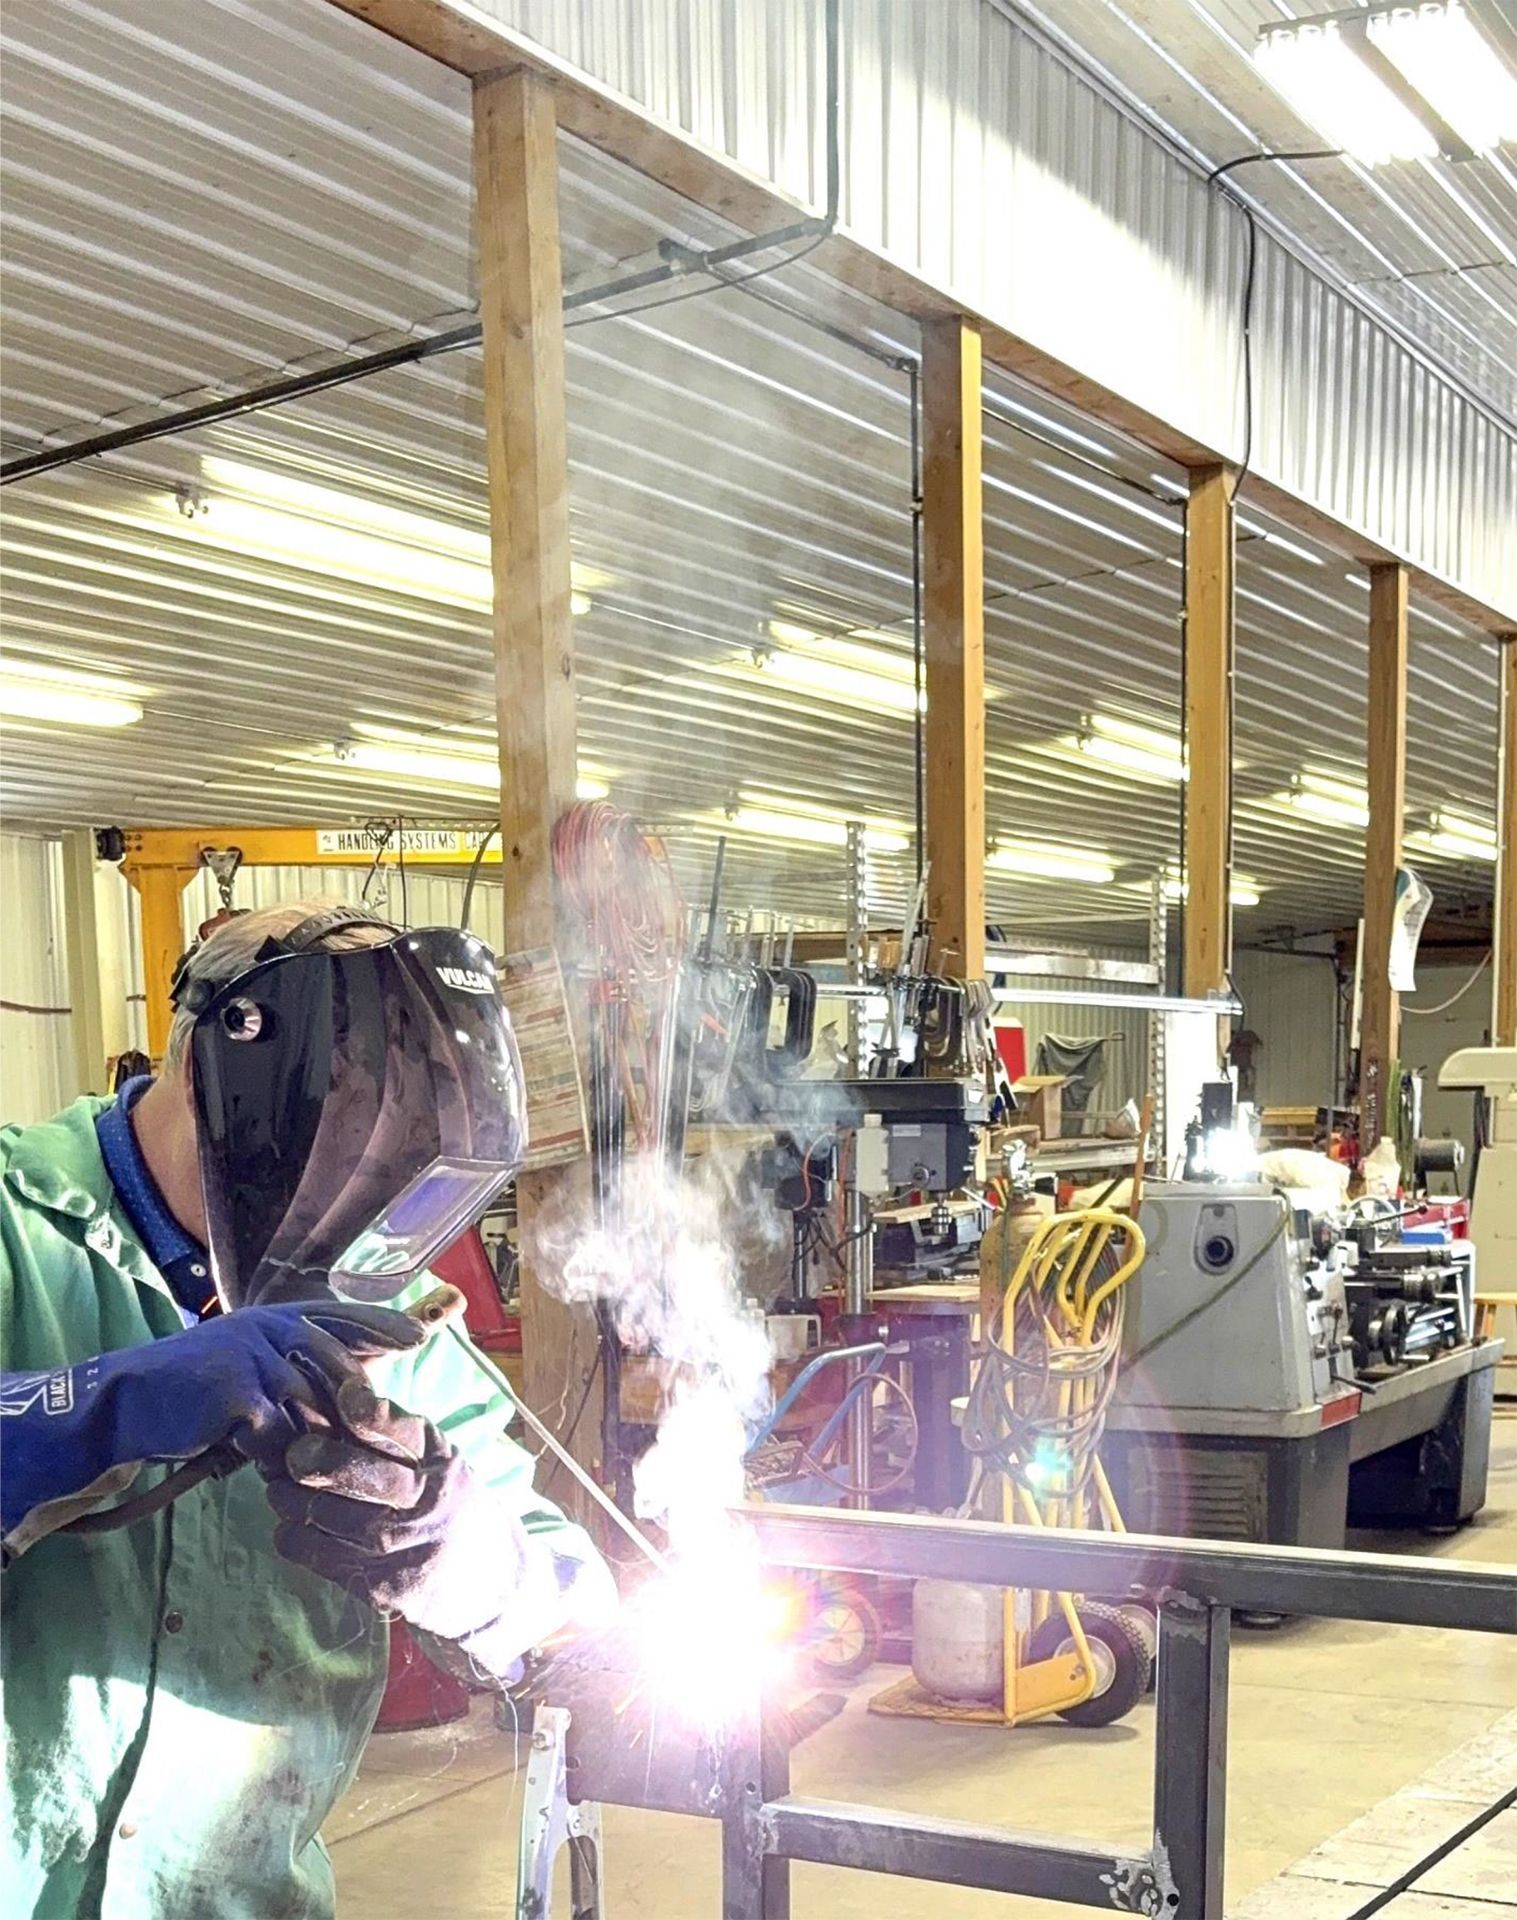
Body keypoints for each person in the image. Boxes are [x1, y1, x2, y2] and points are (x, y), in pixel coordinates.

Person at [1, 901, 612, 1918]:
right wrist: (89, 1411)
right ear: (212, 1079)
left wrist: (479, 1568)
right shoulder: (16, 1229)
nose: (368, 1224)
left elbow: (572, 1607)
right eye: (357, 1161)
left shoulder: (395, 1328)